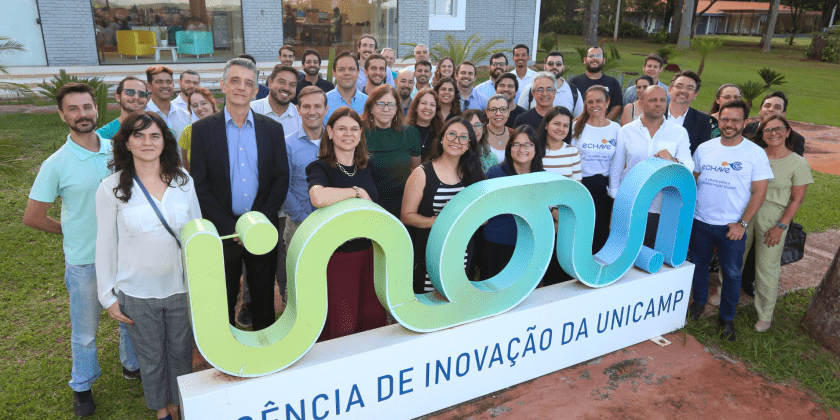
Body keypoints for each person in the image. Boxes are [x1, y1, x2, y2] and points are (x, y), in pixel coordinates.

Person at [23, 83, 140, 417]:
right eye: (73, 109)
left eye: (87, 107)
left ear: (96, 110)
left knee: (130, 319)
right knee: (86, 330)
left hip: (126, 255)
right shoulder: (55, 164)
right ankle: (83, 385)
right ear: (62, 115)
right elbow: (33, 216)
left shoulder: (119, 150)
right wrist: (68, 230)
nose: (82, 114)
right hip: (85, 261)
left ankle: (132, 365)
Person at [95, 111, 200, 420]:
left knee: (180, 354)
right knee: (151, 358)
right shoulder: (110, 188)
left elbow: (196, 233)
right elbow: (104, 245)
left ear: (164, 141)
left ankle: (179, 407)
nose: (147, 142)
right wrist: (107, 296)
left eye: (154, 135)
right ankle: (161, 411)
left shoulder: (183, 180)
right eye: (138, 136)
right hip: (137, 293)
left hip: (181, 288)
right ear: (126, 143)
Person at [189, 58, 290, 332]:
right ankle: (225, 361)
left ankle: (264, 355)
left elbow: (281, 178)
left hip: (261, 229)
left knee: (263, 301)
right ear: (222, 85)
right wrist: (232, 228)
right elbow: (200, 185)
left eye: (248, 83)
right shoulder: (202, 131)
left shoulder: (272, 130)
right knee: (223, 300)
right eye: (234, 80)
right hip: (224, 233)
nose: (241, 88)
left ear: (256, 90)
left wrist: (258, 221)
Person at [687, 100, 773, 342]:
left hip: (731, 227)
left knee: (733, 273)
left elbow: (760, 192)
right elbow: (693, 180)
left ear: (745, 123)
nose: (730, 124)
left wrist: (742, 224)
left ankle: (726, 318)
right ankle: (699, 303)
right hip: (700, 222)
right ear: (719, 120)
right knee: (700, 266)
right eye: (725, 119)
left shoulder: (755, 153)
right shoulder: (705, 148)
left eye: (736, 120)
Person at [306, 107, 387, 340]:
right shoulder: (320, 167)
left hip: (371, 253)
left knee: (371, 320)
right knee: (343, 325)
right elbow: (318, 198)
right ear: (329, 132)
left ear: (361, 134)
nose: (348, 134)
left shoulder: (369, 167)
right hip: (338, 257)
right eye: (341, 128)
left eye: (354, 129)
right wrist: (355, 191)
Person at [743, 115, 812, 332]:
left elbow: (797, 199)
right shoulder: (754, 155)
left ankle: (765, 314)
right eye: (768, 130)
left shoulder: (797, 162)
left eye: (778, 129)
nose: (773, 133)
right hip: (745, 212)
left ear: (788, 131)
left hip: (773, 216)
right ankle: (722, 292)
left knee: (767, 267)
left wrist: (781, 226)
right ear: (761, 134)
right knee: (734, 257)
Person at [402, 117, 486, 293]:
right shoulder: (422, 173)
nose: (456, 141)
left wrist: (463, 213)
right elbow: (407, 216)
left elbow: (484, 219)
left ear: (469, 144)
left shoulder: (474, 175)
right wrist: (443, 219)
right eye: (452, 134)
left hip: (462, 253)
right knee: (429, 307)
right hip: (430, 253)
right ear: (442, 138)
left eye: (463, 137)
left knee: (455, 301)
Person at [609, 85, 693, 249]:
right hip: (630, 204)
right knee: (627, 252)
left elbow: (689, 166)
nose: (659, 104)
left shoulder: (679, 132)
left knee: (654, 256)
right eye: (653, 100)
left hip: (664, 208)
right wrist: (615, 199)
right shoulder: (626, 130)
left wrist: (673, 160)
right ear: (641, 102)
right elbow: (616, 168)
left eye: (662, 100)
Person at [480, 126, 545, 279]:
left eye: (528, 144)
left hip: (529, 245)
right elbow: (483, 209)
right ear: (510, 148)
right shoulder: (495, 174)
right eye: (516, 144)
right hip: (496, 243)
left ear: (536, 148)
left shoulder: (542, 178)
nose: (522, 149)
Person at [570, 86, 620, 252]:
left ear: (607, 102)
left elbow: (617, 163)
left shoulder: (616, 129)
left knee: (600, 232)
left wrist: (613, 192)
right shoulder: (576, 125)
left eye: (599, 100)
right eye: (590, 101)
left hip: (603, 189)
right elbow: (569, 158)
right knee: (580, 231)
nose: (594, 105)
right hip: (581, 185)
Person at [362, 84, 422, 217]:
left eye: (391, 104)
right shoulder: (359, 134)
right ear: (371, 107)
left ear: (396, 109)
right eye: (381, 104)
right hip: (369, 205)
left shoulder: (409, 133)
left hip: (402, 206)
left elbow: (415, 169)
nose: (386, 109)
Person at [284, 86, 327, 248]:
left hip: (333, 224)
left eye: (317, 106)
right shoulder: (287, 144)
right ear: (298, 110)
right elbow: (284, 188)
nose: (312, 111)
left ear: (325, 109)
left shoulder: (337, 143)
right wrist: (304, 218)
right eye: (306, 106)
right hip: (299, 226)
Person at [517, 51, 583, 117]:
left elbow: (579, 119)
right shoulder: (530, 89)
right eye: (550, 63)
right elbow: (520, 116)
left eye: (558, 64)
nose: (554, 67)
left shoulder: (573, 92)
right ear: (545, 67)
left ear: (563, 67)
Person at [569, 46, 623, 121]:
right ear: (585, 60)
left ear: (603, 60)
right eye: (591, 56)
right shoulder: (574, 82)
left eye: (598, 56)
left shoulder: (612, 82)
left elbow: (617, 106)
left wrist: (602, 123)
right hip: (578, 126)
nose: (594, 58)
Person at [743, 92, 805, 156]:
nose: (771, 109)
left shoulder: (796, 139)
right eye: (767, 106)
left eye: (777, 107)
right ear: (760, 110)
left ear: (783, 114)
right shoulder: (743, 130)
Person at [666, 70, 712, 155]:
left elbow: (702, 153)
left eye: (689, 88)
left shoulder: (704, 121)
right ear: (669, 90)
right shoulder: (653, 114)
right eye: (679, 86)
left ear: (695, 95)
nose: (683, 91)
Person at [251, 64, 301, 137]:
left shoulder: (299, 117)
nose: (286, 88)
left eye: (292, 85)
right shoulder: (251, 111)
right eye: (281, 82)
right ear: (270, 83)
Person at [144, 65, 191, 141]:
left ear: (173, 85)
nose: (165, 86)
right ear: (149, 86)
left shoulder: (186, 116)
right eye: (159, 82)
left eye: (168, 82)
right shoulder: (141, 116)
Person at [177, 86, 217, 169]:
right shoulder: (188, 131)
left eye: (203, 103)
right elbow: (185, 161)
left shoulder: (225, 127)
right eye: (195, 106)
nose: (199, 108)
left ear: (212, 103)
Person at [539, 106, 581, 181]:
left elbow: (577, 185)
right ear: (546, 125)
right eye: (557, 124)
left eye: (565, 126)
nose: (561, 129)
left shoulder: (573, 152)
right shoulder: (534, 150)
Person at [325, 51, 368, 123]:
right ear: (334, 73)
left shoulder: (368, 102)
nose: (347, 73)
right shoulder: (323, 102)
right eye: (341, 69)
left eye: (351, 69)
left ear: (358, 73)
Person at [405, 88, 443, 161]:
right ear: (416, 107)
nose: (427, 108)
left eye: (432, 105)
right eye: (423, 103)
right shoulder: (405, 131)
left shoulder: (441, 134)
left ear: (436, 110)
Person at [482, 94, 513, 164]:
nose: (498, 113)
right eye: (493, 110)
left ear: (509, 111)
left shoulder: (515, 134)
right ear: (487, 112)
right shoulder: (480, 134)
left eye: (503, 109)